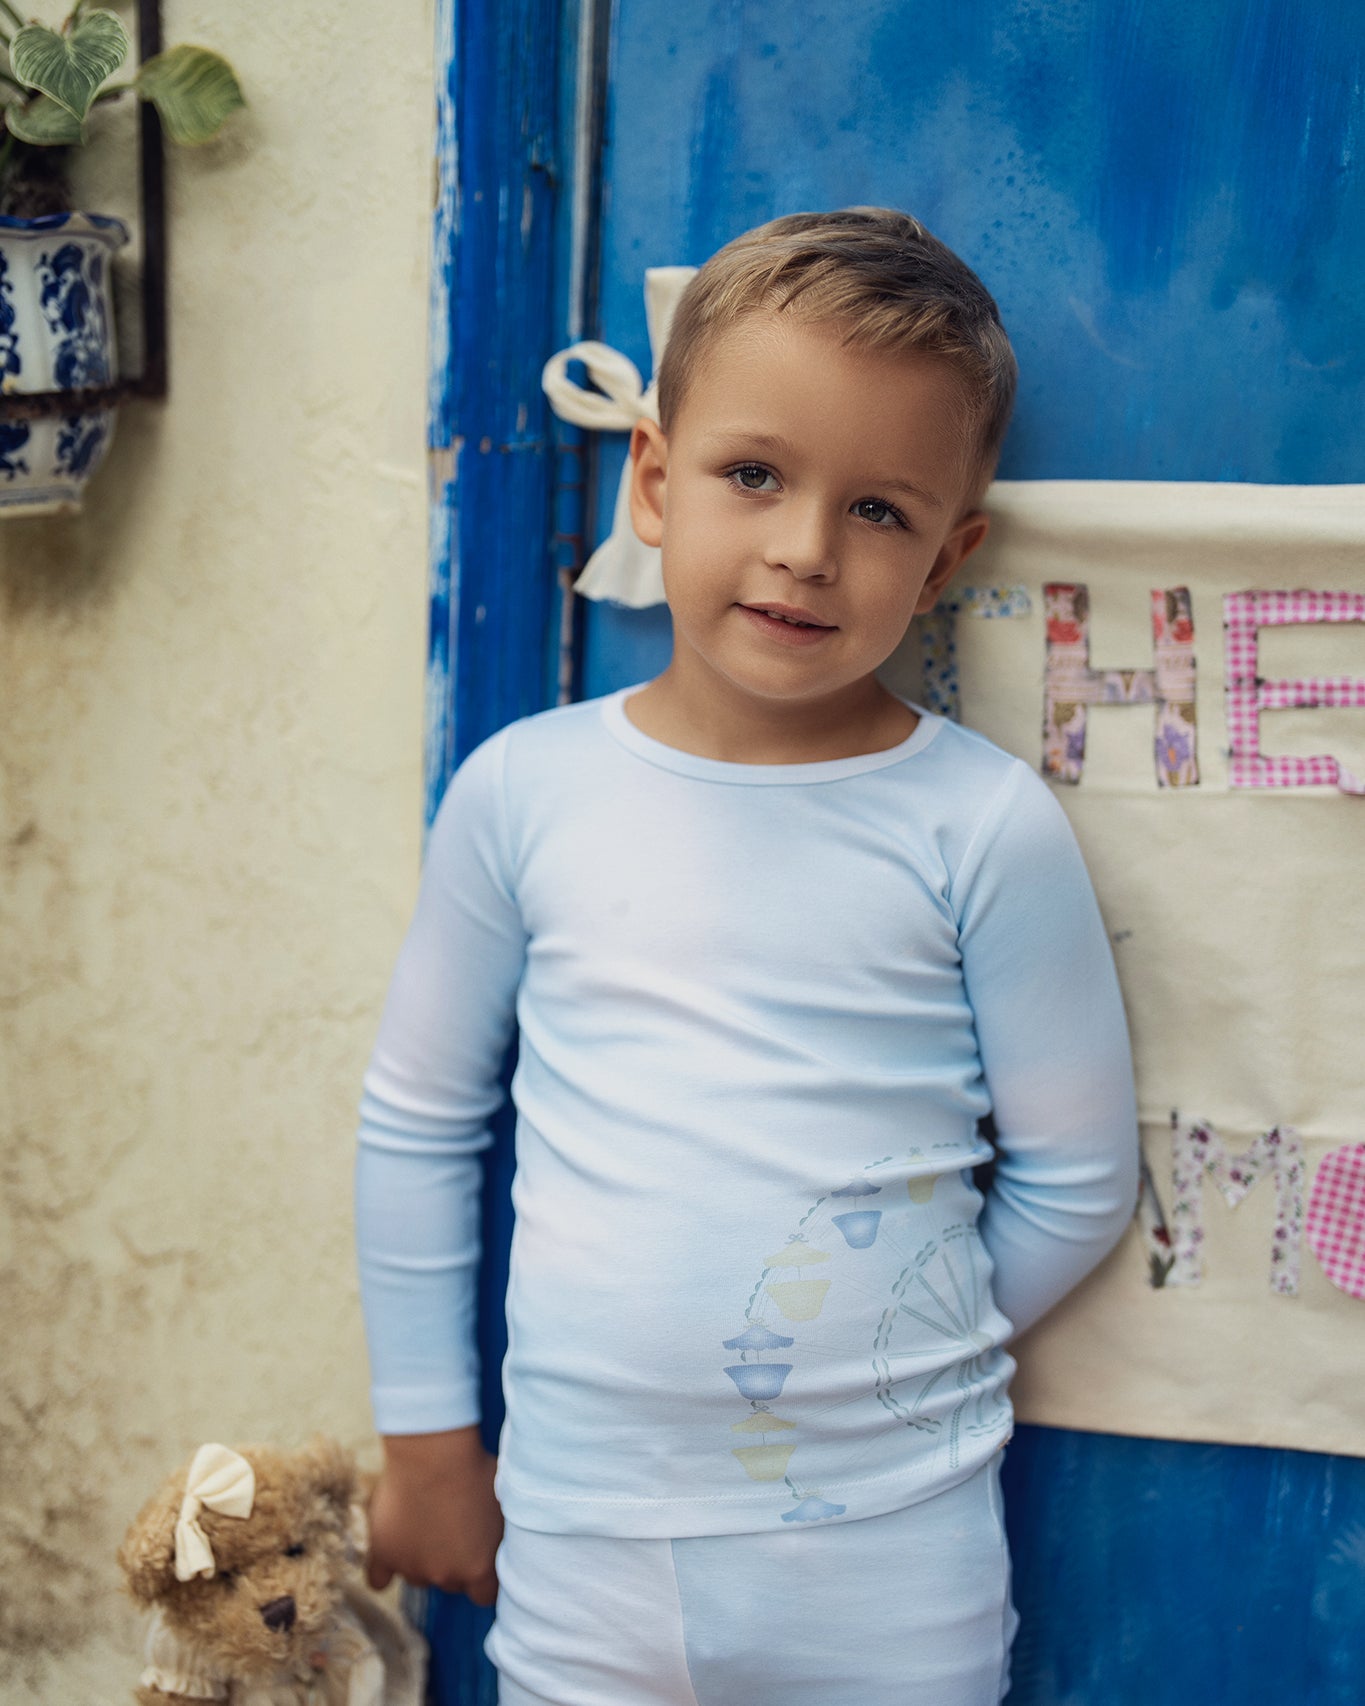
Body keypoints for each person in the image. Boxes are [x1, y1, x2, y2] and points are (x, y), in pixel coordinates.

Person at [355, 207, 1139, 1705]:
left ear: (947, 554)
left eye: (879, 511)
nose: (801, 549)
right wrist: (426, 1443)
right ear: (654, 478)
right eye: (755, 475)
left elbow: (1078, 1175)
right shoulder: (526, 793)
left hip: (888, 1550)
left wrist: (887, 1343)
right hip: (581, 1536)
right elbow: (417, 1118)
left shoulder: (979, 823)